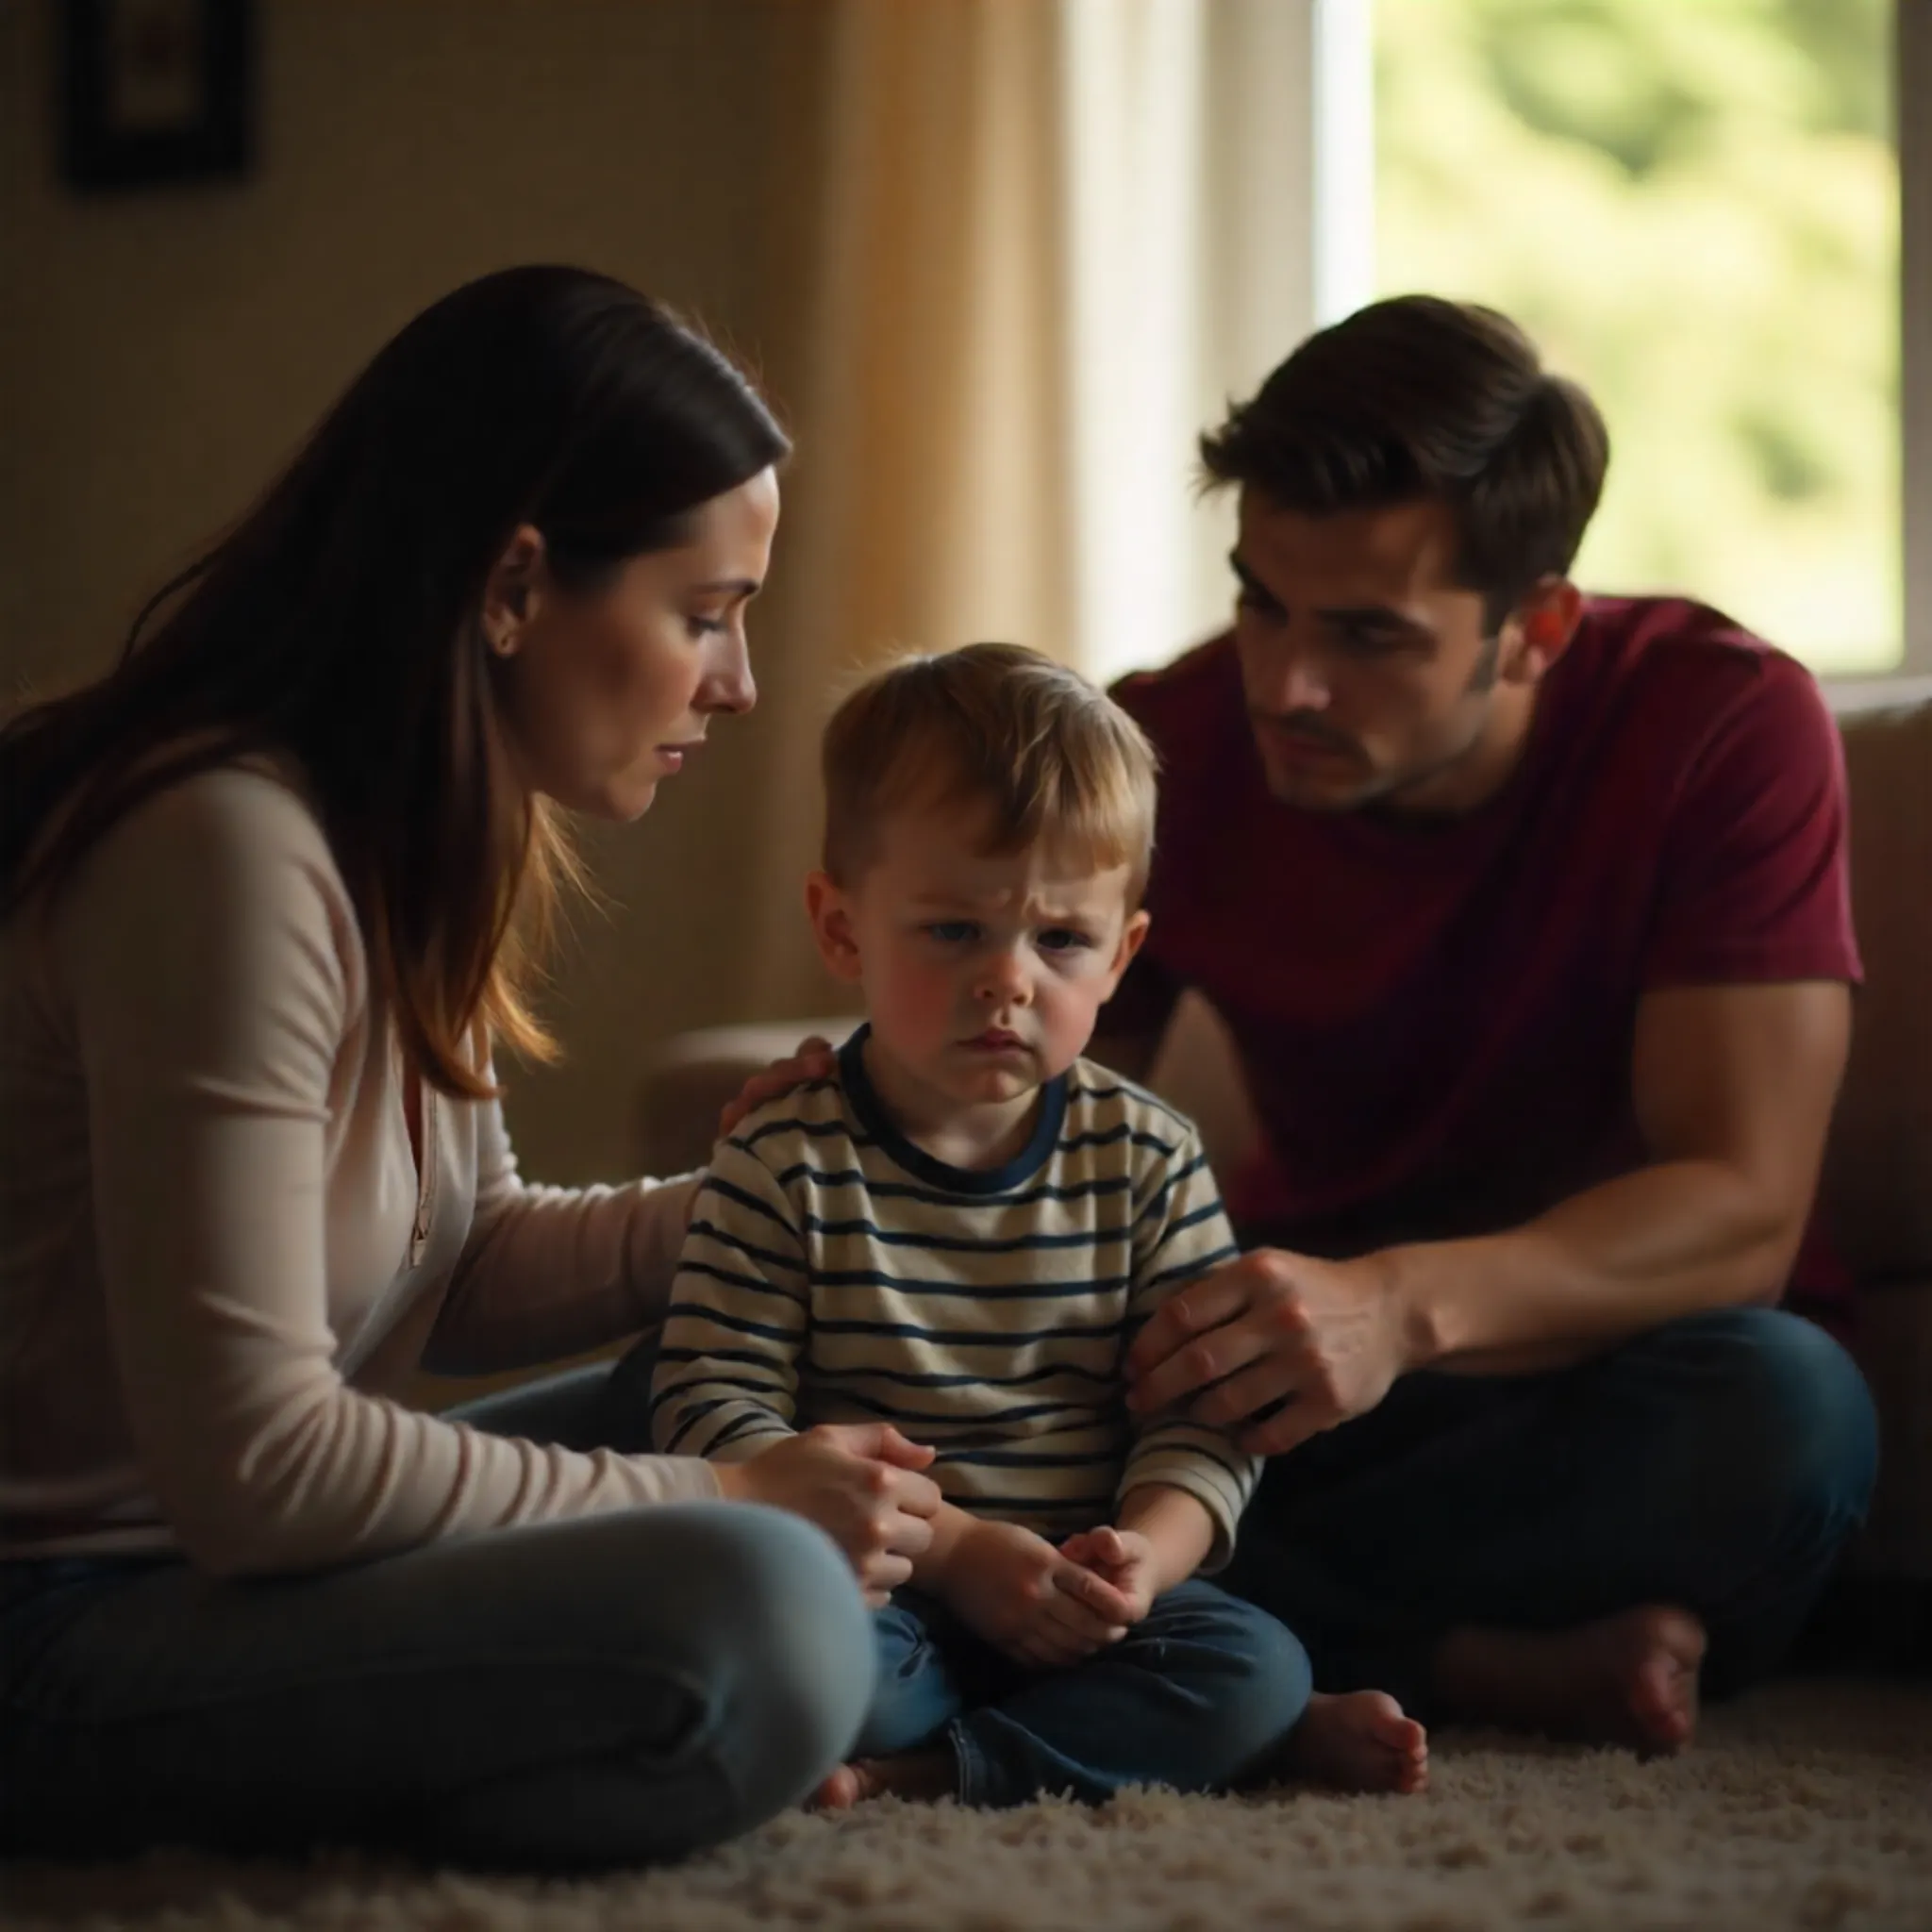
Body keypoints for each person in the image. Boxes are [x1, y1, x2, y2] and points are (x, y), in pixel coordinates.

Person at [0, 265, 949, 1872]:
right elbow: (261, 1471)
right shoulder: (222, 844)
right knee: (770, 1591)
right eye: (704, 614)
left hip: (239, 1577)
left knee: (770, 1364)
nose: (738, 683)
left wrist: (762, 1204)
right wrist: (721, 1491)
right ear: (514, 584)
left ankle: (619, 1725)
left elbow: (459, 1258)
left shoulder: (405, 827)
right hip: (71, 1628)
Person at [1092, 295, 1880, 1751]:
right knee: (995, 1415)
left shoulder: (1720, 724)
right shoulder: (1168, 744)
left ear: (1536, 630)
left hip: (1612, 1376)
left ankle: (1292, 1642)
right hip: (1303, 1401)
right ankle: (1470, 1661)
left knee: (1793, 1415)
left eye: (1366, 636)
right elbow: (1034, 1114)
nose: (1285, 684)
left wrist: (1396, 1304)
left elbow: (1740, 1211)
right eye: (1260, 600)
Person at [644, 643, 1428, 1809]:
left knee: (1252, 1664)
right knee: (783, 1647)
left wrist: (1140, 1559)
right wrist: (952, 1551)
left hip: (1084, 1596)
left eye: (1058, 940)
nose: (1006, 980)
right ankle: (1098, 1742)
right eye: (953, 930)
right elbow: (708, 1408)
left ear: (1120, 955)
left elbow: (1210, 1417)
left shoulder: (1148, 1158)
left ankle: (934, 1774)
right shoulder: (780, 1158)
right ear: (842, 924)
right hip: (886, 1589)